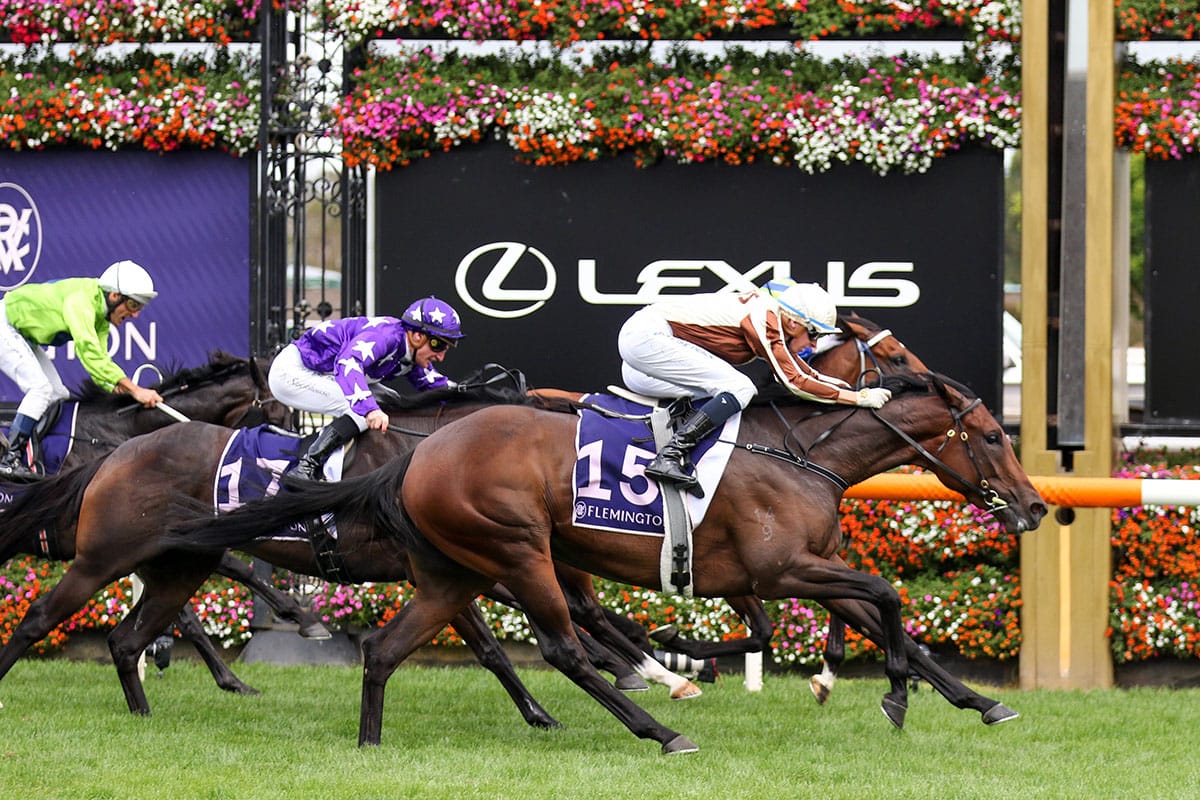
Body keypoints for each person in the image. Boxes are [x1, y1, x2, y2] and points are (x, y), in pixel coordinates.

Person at [618, 281, 892, 495]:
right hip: (646, 341)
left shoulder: (774, 318)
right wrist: (857, 398)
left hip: (642, 358)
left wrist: (852, 390)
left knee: (720, 391)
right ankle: (669, 456)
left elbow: (804, 371)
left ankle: (665, 441)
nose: (815, 345)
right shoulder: (766, 317)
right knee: (739, 387)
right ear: (794, 322)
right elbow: (795, 381)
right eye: (814, 334)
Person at [269, 296, 464, 480]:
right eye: (437, 345)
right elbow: (348, 363)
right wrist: (369, 409)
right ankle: (307, 467)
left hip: (327, 373)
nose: (440, 357)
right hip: (292, 372)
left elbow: (437, 387)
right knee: (362, 411)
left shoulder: (410, 352)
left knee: (391, 401)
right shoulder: (386, 337)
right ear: (416, 336)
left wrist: (470, 393)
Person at [0, 260, 164, 479]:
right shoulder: (81, 301)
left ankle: (31, 454)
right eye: (133, 306)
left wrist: (114, 385)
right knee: (40, 389)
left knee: (58, 394)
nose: (135, 315)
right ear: (115, 296)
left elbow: (101, 361)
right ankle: (9, 458)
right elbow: (88, 353)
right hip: (6, 325)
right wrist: (135, 390)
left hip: (22, 334)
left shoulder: (102, 317)